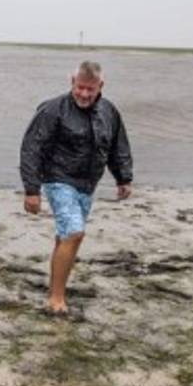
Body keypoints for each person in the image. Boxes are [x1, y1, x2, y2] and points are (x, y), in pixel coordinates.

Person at [19, 60, 132, 316]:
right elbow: (31, 148)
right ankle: (56, 298)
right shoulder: (52, 109)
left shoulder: (109, 112)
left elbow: (117, 146)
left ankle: (57, 288)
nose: (83, 94)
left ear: (100, 86)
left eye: (89, 89)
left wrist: (123, 178)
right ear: (72, 82)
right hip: (58, 179)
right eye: (79, 87)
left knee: (67, 236)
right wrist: (32, 190)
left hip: (87, 184)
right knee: (74, 233)